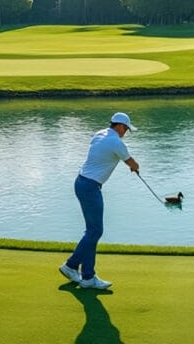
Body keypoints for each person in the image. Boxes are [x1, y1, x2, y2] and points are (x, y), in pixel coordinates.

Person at [60, 112, 140, 289]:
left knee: (92, 231)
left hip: (81, 182)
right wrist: (135, 168)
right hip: (90, 187)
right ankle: (74, 268)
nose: (125, 132)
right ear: (119, 126)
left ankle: (84, 274)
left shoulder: (99, 134)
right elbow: (132, 163)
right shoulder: (116, 143)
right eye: (126, 129)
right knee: (95, 231)